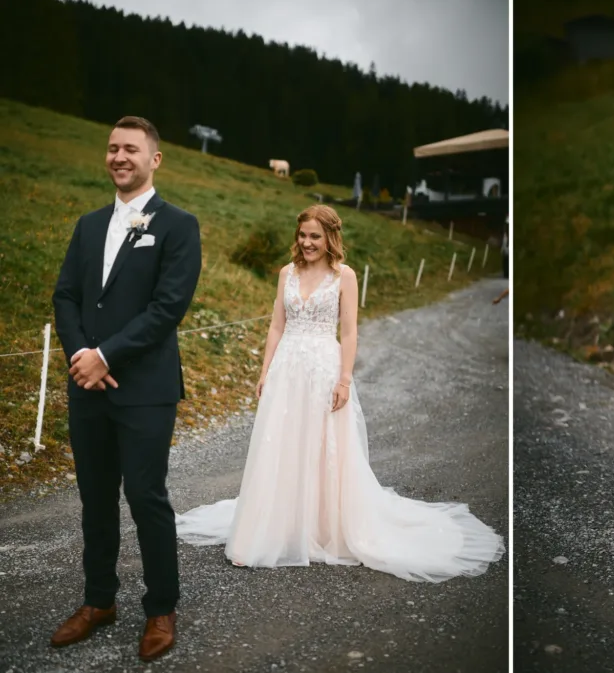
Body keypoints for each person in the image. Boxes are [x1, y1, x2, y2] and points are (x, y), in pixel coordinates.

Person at [175, 205, 505, 581]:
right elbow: (275, 327)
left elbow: (349, 332)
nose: (307, 243)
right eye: (303, 235)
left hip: (323, 368)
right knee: (281, 444)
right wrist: (265, 370)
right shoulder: (288, 273)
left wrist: (344, 379)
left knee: (324, 445)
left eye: (315, 236)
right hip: (288, 369)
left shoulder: (344, 276)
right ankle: (267, 532)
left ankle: (324, 528)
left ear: (330, 237)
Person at [51, 116, 202, 661]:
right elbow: (66, 296)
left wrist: (106, 356)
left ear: (154, 158)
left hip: (145, 388)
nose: (119, 157)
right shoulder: (89, 225)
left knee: (146, 497)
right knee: (94, 499)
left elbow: (168, 310)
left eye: (131, 149)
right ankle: (98, 602)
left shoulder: (179, 225)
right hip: (85, 386)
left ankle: (161, 608)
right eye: (112, 148)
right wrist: (79, 357)